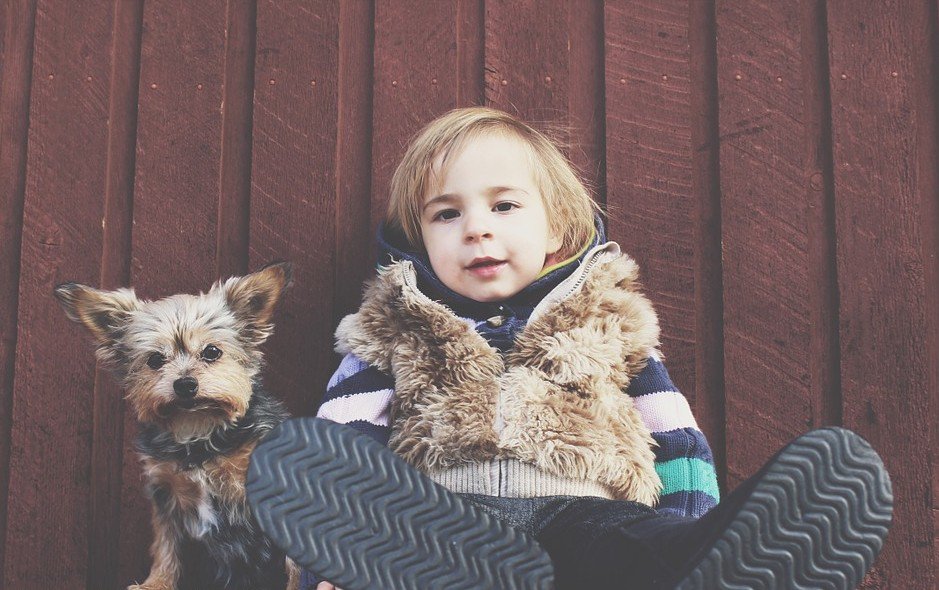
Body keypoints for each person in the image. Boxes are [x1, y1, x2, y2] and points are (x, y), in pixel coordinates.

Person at [246, 107, 893, 590]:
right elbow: (335, 460)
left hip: (579, 513)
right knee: (373, 516)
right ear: (416, 240)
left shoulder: (607, 320)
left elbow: (676, 444)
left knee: (630, 545)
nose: (476, 228)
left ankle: (701, 563)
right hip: (443, 521)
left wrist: (686, 528)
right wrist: (323, 569)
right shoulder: (393, 325)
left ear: (555, 226)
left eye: (503, 206)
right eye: (445, 215)